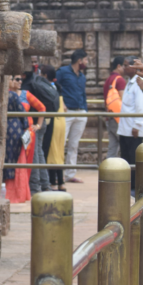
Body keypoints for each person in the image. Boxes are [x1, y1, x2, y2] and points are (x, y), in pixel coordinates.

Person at [5, 75, 46, 203]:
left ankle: (34, 188)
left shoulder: (25, 94)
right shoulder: (4, 94)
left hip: (27, 132)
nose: (20, 81)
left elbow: (42, 108)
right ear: (9, 80)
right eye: (17, 79)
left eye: (21, 79)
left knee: (30, 160)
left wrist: (38, 125)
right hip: (11, 132)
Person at [25, 66, 61, 193]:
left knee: (35, 153)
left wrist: (38, 124)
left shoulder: (29, 85)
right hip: (39, 122)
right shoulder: (38, 81)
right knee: (38, 152)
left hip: (34, 123)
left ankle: (36, 186)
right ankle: (44, 184)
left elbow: (41, 107)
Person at [57, 49, 89, 184]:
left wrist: (85, 110)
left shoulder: (82, 76)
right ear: (79, 60)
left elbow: (83, 94)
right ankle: (57, 174)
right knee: (61, 142)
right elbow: (55, 86)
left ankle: (70, 174)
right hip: (67, 111)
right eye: (86, 60)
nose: (87, 63)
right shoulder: (63, 72)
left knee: (74, 145)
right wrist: (61, 103)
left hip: (81, 111)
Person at [118, 57, 143, 189]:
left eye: (126, 66)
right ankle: (128, 185)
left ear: (133, 67)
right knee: (126, 158)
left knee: (133, 159)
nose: (124, 68)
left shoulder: (140, 82)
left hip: (133, 129)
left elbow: (141, 105)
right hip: (125, 128)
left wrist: (137, 125)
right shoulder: (130, 82)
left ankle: (134, 187)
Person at [40, 64, 66, 190]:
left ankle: (53, 183)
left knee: (51, 152)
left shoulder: (46, 89)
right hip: (62, 121)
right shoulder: (57, 87)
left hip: (53, 121)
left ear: (45, 76)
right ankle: (61, 182)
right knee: (59, 152)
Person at [103, 57, 127, 160]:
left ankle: (108, 172)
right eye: (124, 66)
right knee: (124, 145)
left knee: (112, 147)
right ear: (118, 66)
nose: (125, 69)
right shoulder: (120, 80)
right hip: (118, 117)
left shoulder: (108, 79)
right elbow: (124, 99)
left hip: (110, 116)